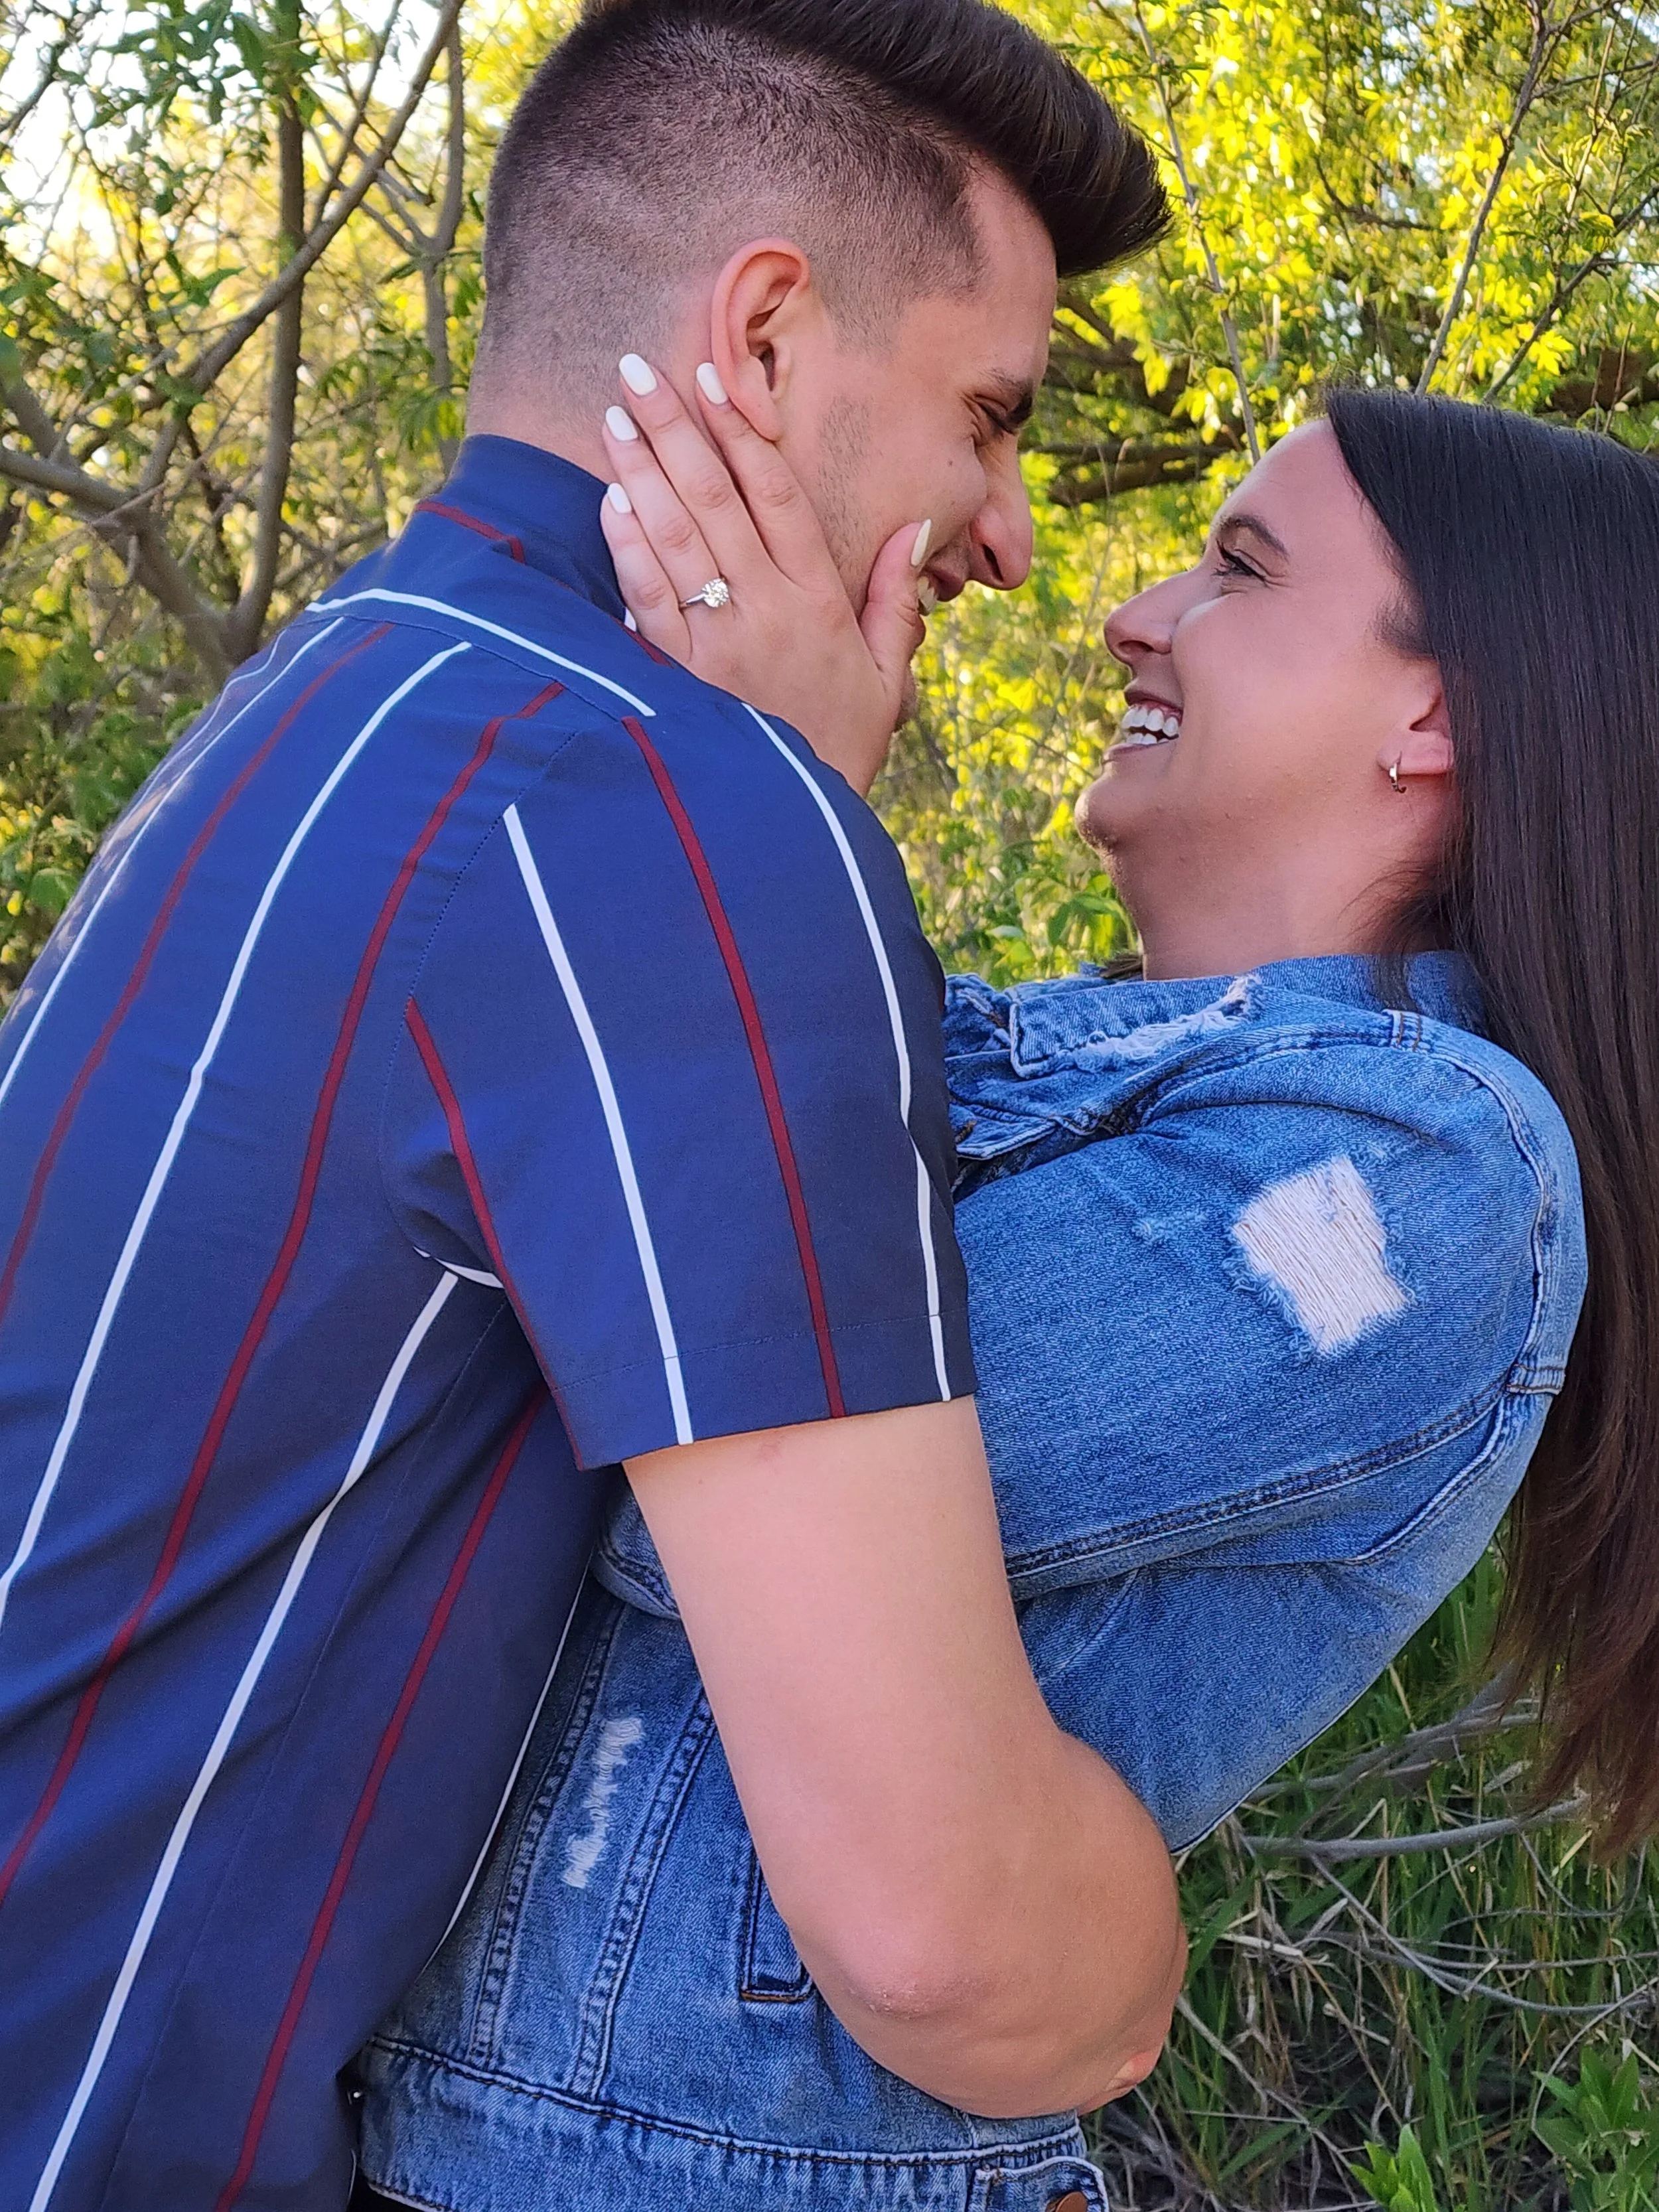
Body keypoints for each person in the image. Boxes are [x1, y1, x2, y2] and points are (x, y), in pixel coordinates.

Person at [0, 6, 1189, 2209]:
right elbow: (953, 1948)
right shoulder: (665, 818)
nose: (1015, 538)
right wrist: (1139, 1950)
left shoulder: (339, 691)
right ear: (766, 332)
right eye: (990, 418)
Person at [355, 384, 1659, 2211]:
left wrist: (769, 825)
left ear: (1432, 716)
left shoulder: (1416, 1180)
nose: (1133, 611)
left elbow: (726, 1466)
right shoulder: (1052, 1047)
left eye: (1239, 571)